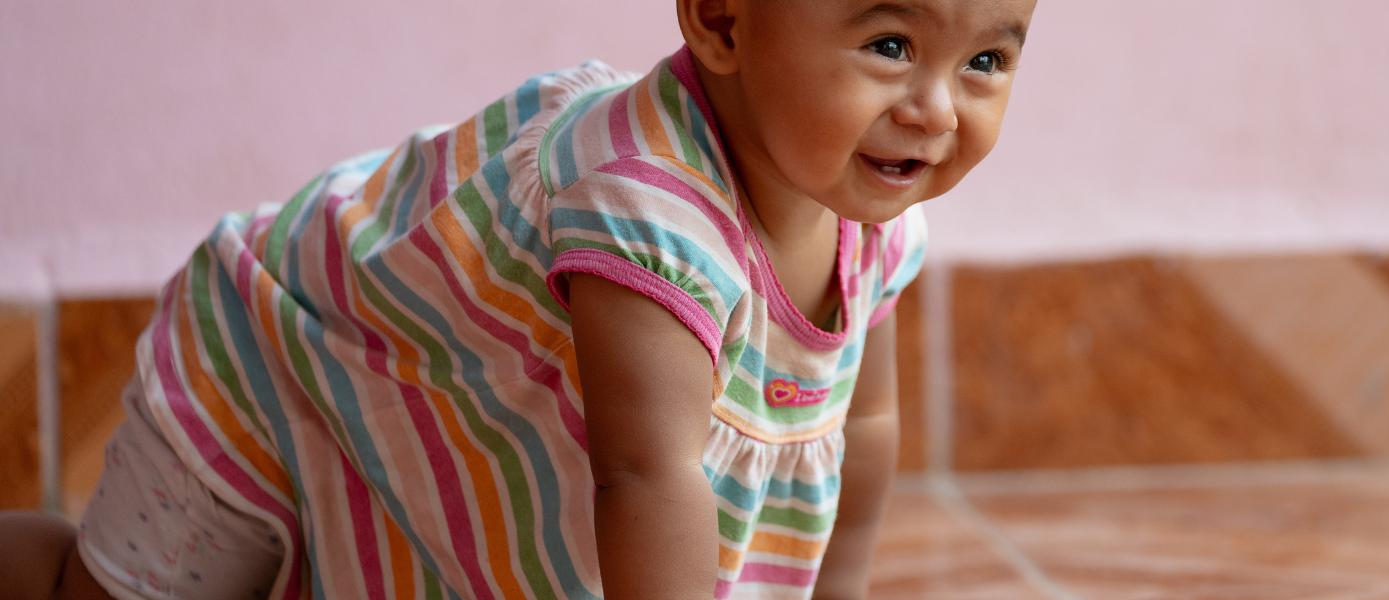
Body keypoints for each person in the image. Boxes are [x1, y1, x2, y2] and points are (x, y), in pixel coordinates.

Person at [0, 0, 1037, 597]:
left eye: (987, 59)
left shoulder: (877, 210)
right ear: (724, 18)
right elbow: (647, 479)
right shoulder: (647, 221)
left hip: (417, 403)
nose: (935, 110)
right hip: (275, 354)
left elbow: (871, 424)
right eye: (890, 45)